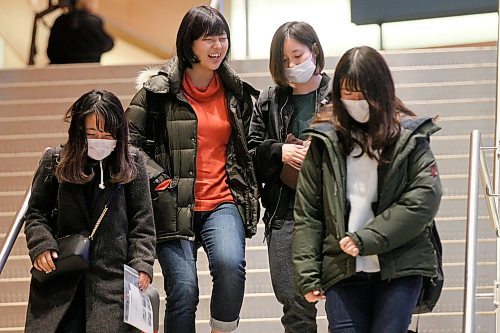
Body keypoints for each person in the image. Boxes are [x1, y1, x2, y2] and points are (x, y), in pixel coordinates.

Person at [125, 5, 260, 333]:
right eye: (209, 39)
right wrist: (158, 177)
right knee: (184, 290)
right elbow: (128, 143)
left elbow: (247, 148)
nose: (218, 46)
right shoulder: (156, 92)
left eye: (223, 38)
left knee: (231, 266)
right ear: (189, 43)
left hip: (221, 201)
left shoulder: (236, 94)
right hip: (170, 202)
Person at [292, 45, 443, 333]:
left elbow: (424, 198)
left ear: (381, 91)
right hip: (343, 267)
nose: (354, 101)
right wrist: (308, 274)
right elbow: (308, 212)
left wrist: (366, 239)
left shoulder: (410, 137)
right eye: (347, 93)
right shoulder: (325, 141)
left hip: (399, 265)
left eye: (361, 94)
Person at [24, 89, 156, 332]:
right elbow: (36, 214)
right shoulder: (55, 161)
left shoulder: (133, 162)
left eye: (108, 134)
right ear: (78, 131)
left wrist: (142, 264)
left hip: (113, 281)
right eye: (92, 133)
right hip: (61, 278)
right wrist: (42, 245)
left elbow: (143, 224)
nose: (100, 140)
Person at [248, 21, 332, 333]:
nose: (292, 65)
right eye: (284, 61)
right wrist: (279, 151)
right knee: (295, 307)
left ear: (315, 51)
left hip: (333, 212)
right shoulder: (269, 100)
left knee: (341, 303)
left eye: (297, 56)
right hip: (285, 212)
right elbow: (250, 154)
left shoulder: (338, 93)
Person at [47, 0, 114, 64]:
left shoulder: (60, 21)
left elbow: (51, 53)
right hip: (89, 71)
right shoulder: (93, 22)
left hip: (59, 72)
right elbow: (107, 45)